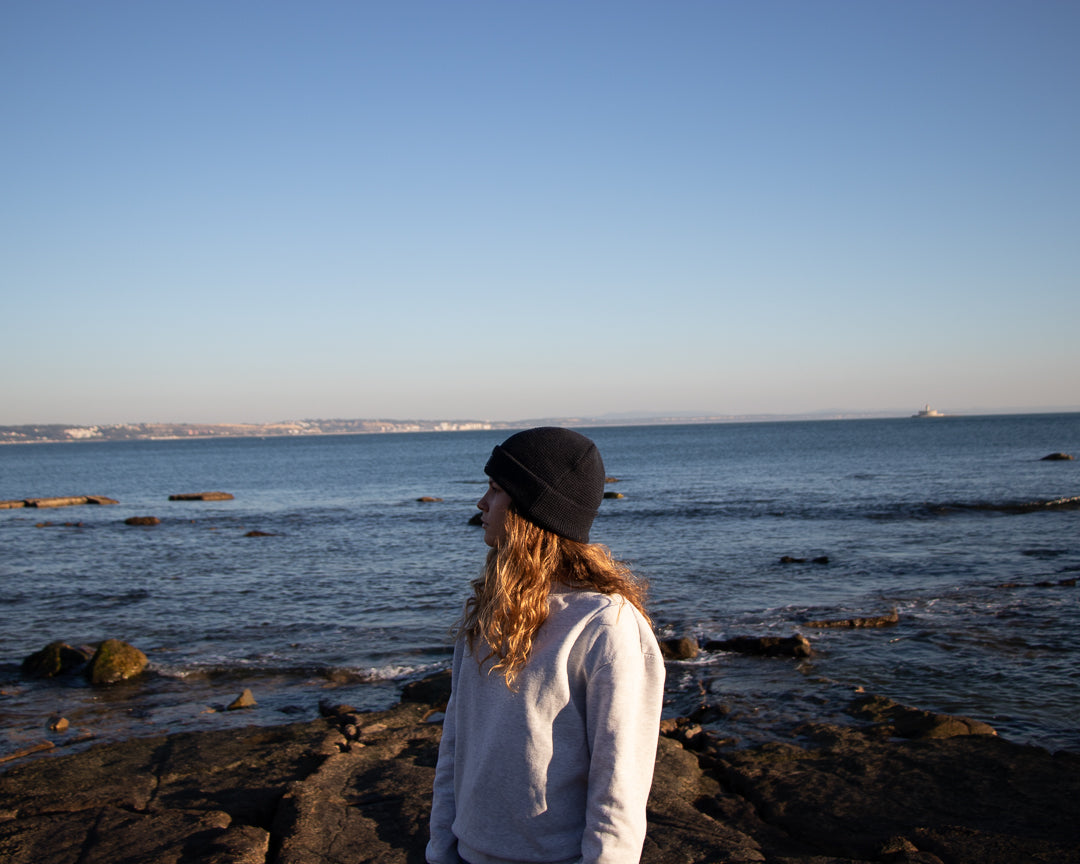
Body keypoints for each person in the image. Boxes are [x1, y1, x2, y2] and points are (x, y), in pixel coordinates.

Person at [427, 427, 665, 864]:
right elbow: (456, 746)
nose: (481, 503)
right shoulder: (488, 612)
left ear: (530, 511)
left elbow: (620, 783)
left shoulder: (604, 625)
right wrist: (441, 847)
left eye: (496, 489)